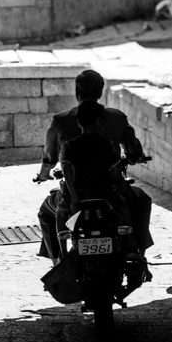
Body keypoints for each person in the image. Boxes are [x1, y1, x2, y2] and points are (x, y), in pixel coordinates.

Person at [35, 69, 153, 259]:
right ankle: (138, 251)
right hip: (110, 192)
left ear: (77, 91)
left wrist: (44, 173)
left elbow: (52, 158)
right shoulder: (116, 119)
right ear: (100, 92)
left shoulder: (61, 122)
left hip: (76, 194)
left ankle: (58, 260)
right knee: (142, 201)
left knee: (46, 211)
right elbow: (132, 152)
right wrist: (132, 158)